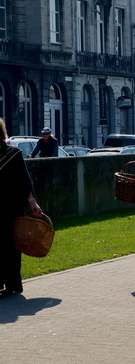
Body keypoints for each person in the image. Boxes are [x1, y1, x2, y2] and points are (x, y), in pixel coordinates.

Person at [0, 117, 43, 297]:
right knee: (12, 244)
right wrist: (32, 202)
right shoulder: (14, 153)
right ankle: (13, 282)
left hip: (7, 206)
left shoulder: (14, 153)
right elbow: (25, 181)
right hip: (13, 205)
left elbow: (24, 180)